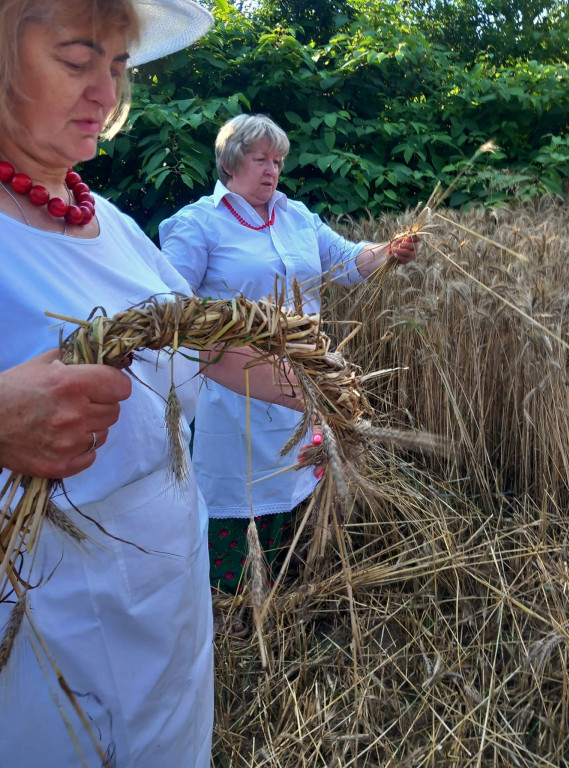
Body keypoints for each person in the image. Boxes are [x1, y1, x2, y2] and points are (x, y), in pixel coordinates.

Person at [0, 4, 306, 767]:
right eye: (76, 61)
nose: (105, 93)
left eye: (118, 66)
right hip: (46, 612)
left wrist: (322, 392)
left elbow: (199, 344)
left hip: (166, 594)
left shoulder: (107, 218)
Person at [159, 113, 418, 597]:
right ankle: (232, 608)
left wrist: (387, 251)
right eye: (261, 159)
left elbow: (346, 261)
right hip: (234, 388)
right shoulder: (198, 223)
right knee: (239, 493)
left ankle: (284, 597)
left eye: (277, 161)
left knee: (296, 484)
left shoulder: (296, 216)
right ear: (232, 162)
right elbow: (170, 305)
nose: (272, 170)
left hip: (303, 386)